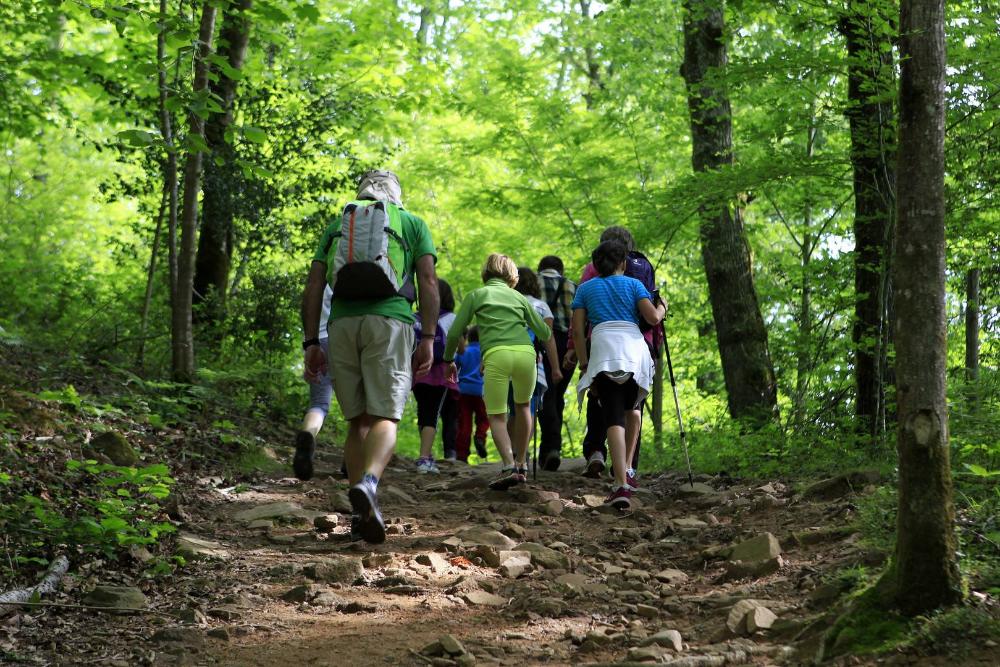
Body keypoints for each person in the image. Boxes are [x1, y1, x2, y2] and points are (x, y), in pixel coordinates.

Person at [302, 170, 438, 544]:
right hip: (390, 322)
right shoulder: (411, 222)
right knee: (386, 416)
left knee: (356, 422)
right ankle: (370, 482)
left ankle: (357, 520)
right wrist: (428, 336)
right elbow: (427, 280)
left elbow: (314, 284)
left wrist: (311, 341)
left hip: (342, 325)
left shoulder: (338, 223)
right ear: (397, 193)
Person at [443, 254, 552, 490]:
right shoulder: (520, 298)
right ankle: (522, 463)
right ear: (512, 276)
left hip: (497, 356)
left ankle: (509, 466)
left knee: (497, 414)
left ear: (486, 273)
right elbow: (544, 333)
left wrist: (449, 359)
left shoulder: (477, 295)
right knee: (523, 406)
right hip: (526, 355)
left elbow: (454, 333)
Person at [572, 240, 665, 509]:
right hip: (635, 349)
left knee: (613, 415)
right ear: (623, 263)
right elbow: (652, 318)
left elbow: (578, 331)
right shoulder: (635, 285)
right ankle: (627, 469)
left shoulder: (585, 289)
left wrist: (584, 363)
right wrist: (663, 307)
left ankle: (620, 484)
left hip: (603, 349)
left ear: (595, 265)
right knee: (633, 408)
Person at [511, 267, 563, 445]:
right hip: (532, 364)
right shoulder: (541, 307)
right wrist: (555, 368)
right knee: (528, 408)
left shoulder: (507, 303)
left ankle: (511, 454)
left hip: (506, 361)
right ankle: (522, 455)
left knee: (512, 409)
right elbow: (548, 339)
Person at [412, 279, 458, 474]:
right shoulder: (450, 318)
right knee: (432, 414)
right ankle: (424, 459)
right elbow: (458, 347)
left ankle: (426, 454)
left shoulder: (412, 317)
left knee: (424, 412)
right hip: (440, 373)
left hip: (417, 372)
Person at [536, 256, 577, 471]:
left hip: (541, 340)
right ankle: (550, 449)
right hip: (568, 344)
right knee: (556, 395)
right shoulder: (573, 286)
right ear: (561, 269)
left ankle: (550, 448)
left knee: (546, 394)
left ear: (540, 268)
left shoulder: (533, 283)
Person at [294, 285, 334, 481]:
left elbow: (306, 308)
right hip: (345, 338)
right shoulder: (353, 274)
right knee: (356, 407)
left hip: (318, 341)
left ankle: (308, 434)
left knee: (318, 404)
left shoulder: (319, 284)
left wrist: (310, 343)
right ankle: (352, 462)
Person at [454, 327, 490, 462]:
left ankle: (461, 455)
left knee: (464, 424)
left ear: (469, 337)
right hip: (480, 391)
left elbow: (455, 369)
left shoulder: (464, 351)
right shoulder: (486, 353)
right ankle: (480, 437)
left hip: (463, 391)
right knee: (484, 419)